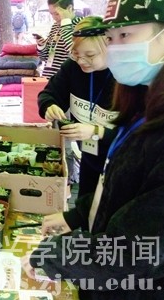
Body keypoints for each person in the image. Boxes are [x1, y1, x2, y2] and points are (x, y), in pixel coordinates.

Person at [23, 0, 164, 299]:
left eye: (125, 36)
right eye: (111, 37)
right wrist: (77, 216)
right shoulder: (145, 100)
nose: (114, 48)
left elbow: (137, 250)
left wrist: (56, 255)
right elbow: (125, 190)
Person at [38, 17, 118, 196]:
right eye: (76, 54)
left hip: (118, 163)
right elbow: (48, 94)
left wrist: (96, 131)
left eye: (90, 55)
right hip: (88, 156)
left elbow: (136, 135)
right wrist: (49, 105)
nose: (81, 61)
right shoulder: (72, 68)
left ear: (108, 46)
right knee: (85, 203)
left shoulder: (124, 77)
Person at [35, 0, 79, 78]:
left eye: (57, 13)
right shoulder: (55, 26)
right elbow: (45, 57)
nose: (54, 18)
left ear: (69, 8)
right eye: (51, 14)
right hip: (48, 77)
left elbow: (75, 53)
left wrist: (65, 23)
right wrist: (41, 46)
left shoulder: (80, 25)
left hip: (65, 80)